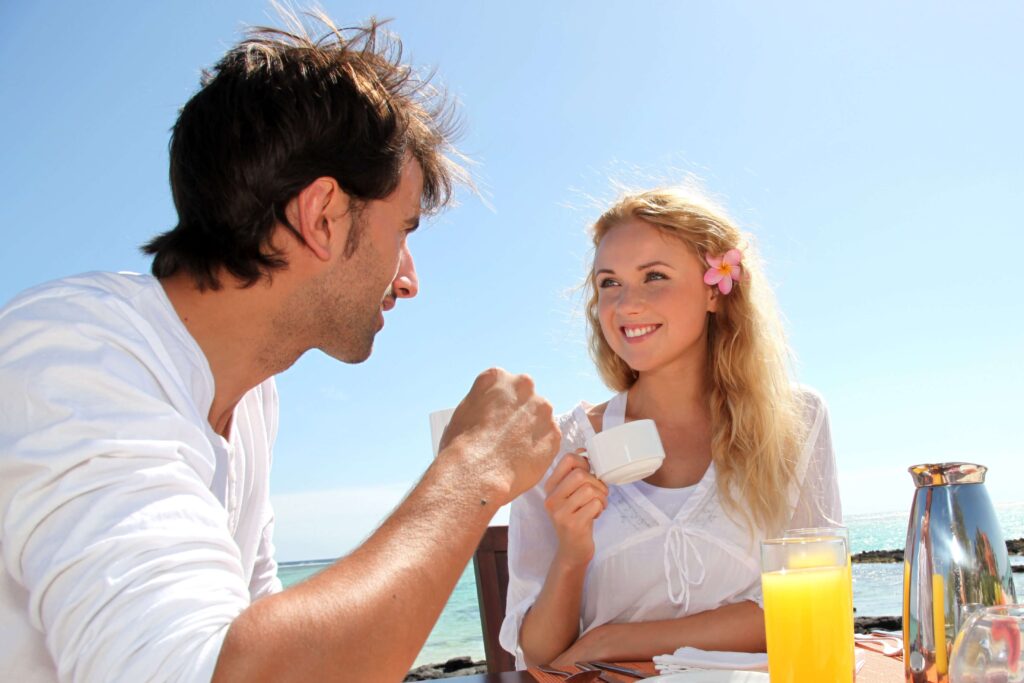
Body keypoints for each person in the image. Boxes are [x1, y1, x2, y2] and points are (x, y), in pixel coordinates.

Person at [0, 13, 560, 683]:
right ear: (322, 215)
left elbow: (263, 626)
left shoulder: (252, 395)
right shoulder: (75, 354)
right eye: (402, 231)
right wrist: (476, 469)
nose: (407, 278)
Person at [499, 186, 841, 668]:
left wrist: (612, 641)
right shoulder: (557, 445)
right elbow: (540, 655)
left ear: (715, 292)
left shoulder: (795, 422)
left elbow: (814, 607)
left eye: (654, 276)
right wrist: (572, 552)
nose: (625, 305)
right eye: (608, 283)